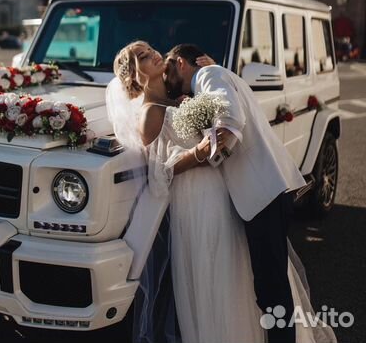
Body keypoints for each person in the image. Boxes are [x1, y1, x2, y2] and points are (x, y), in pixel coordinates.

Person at [107, 41, 337, 343]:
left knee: (241, 275)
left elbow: (227, 112)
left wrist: (215, 75)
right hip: (195, 204)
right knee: (214, 277)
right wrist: (202, 153)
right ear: (134, 77)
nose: (151, 52)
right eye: (141, 55)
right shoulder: (149, 113)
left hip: (228, 197)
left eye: (149, 48)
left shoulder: (186, 97)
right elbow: (159, 172)